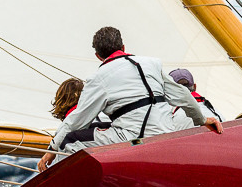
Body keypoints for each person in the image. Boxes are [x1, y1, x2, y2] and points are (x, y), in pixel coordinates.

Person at [38, 26, 221, 170]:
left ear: (98, 56)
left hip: (136, 139)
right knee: (95, 127)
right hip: (167, 134)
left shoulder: (98, 78)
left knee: (70, 140)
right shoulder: (153, 64)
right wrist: (202, 120)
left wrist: (52, 150)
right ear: (123, 47)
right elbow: (183, 96)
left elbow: (77, 119)